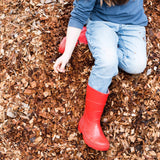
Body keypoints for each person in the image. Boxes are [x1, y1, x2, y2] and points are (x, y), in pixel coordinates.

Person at [54, 0, 148, 151]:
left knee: (136, 65)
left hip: (133, 24)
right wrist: (67, 55)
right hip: (102, 22)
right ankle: (89, 122)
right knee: (107, 63)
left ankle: (89, 38)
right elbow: (78, 15)